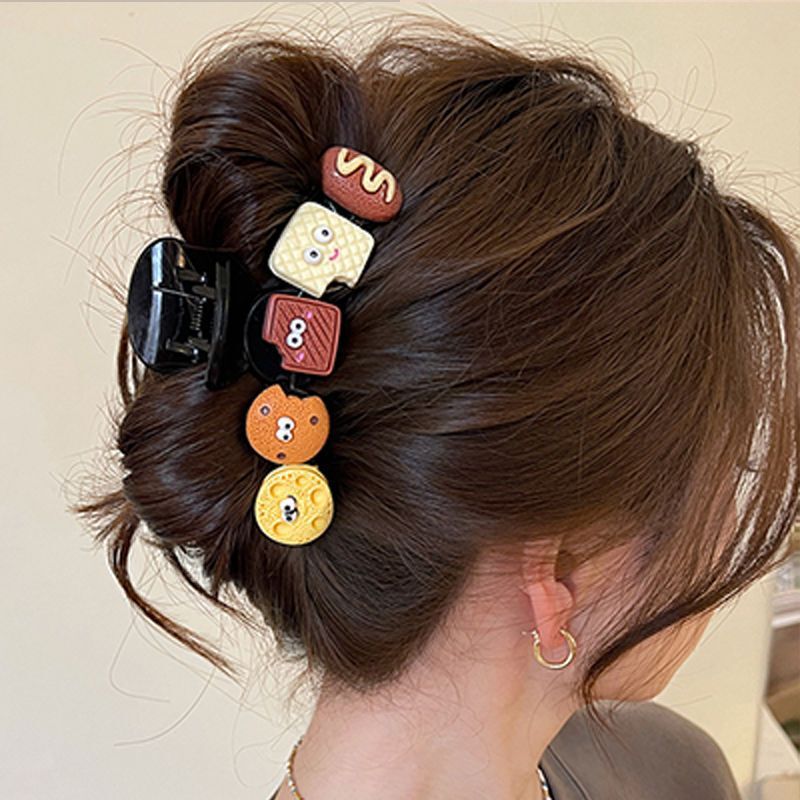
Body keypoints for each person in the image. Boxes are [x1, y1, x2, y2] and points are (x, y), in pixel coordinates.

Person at [72, 14, 800, 800]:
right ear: (560, 570)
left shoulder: (675, 769)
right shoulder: (668, 773)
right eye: (732, 467)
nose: (733, 526)